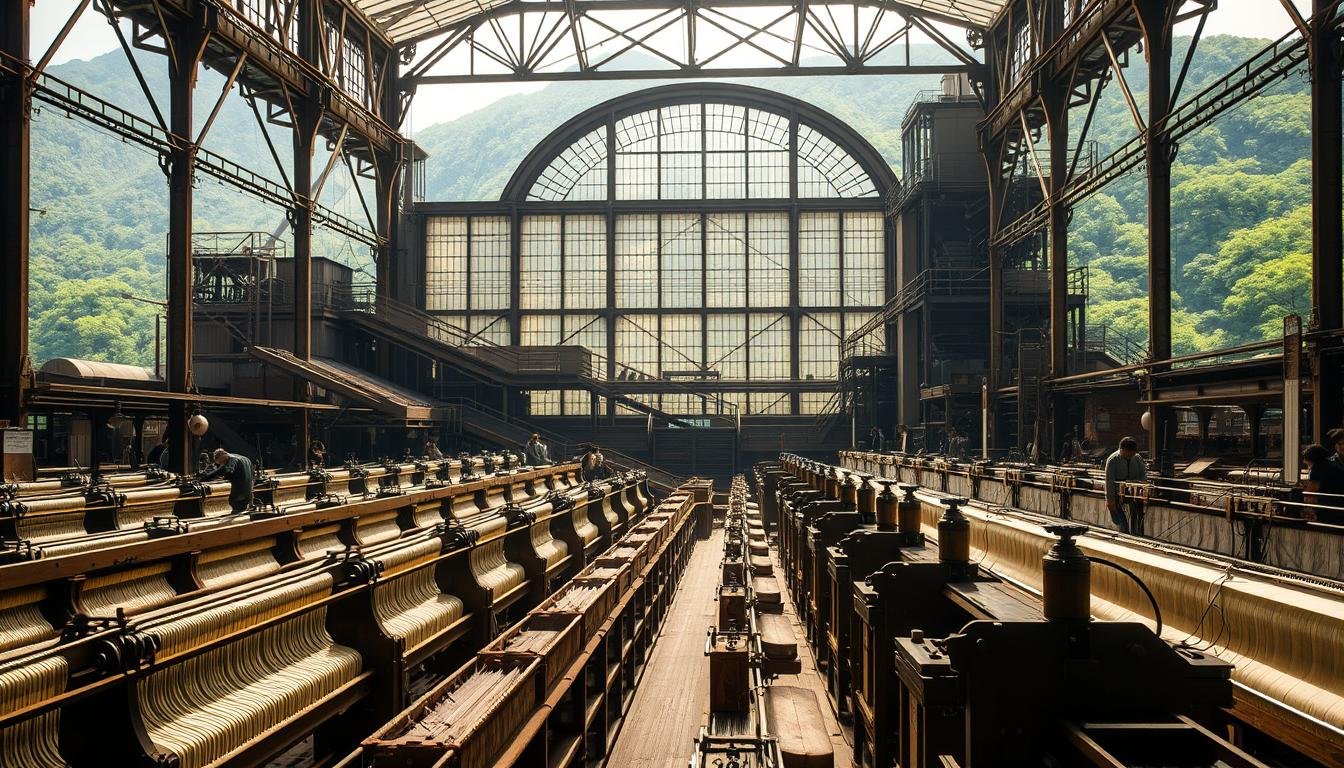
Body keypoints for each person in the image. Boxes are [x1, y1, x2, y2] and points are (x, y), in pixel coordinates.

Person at [1104, 436, 1147, 534]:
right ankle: (1124, 533)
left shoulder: (1137, 458)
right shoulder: (1112, 460)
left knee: (1137, 515)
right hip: (1116, 493)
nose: (1130, 455)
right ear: (1122, 449)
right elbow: (1109, 481)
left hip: (1134, 492)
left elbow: (1143, 474)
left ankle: (1137, 533)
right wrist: (1110, 500)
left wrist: (1143, 489)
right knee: (1120, 520)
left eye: (1133, 453)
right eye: (1129, 453)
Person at [200, 448, 255, 514]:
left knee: (236, 513)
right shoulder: (245, 459)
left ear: (222, 455)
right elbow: (252, 474)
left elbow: (226, 470)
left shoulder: (232, 459)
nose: (222, 464)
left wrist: (205, 478)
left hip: (238, 496)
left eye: (222, 462)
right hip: (247, 494)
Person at [1302, 444, 1344, 524]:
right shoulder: (1334, 464)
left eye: (1307, 464)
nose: (1307, 467)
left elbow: (1311, 492)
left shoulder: (1317, 467)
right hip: (1340, 506)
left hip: (1329, 509)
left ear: (1311, 459)